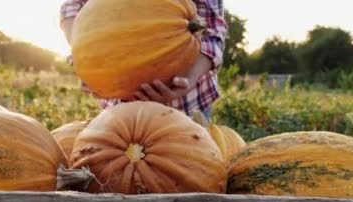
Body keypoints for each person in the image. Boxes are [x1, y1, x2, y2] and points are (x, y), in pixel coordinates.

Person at [59, 0, 228, 122]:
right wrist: (84, 52)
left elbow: (211, 31)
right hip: (117, 105)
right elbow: (72, 7)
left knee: (189, 165)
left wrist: (189, 79)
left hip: (186, 103)